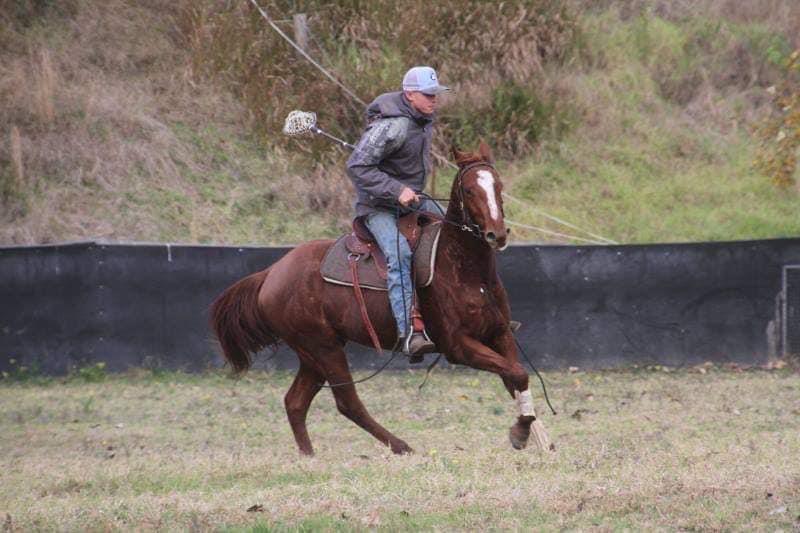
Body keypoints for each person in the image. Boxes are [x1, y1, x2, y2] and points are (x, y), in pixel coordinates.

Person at [346, 66, 448, 356]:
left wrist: (408, 193)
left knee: (456, 230)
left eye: (435, 94)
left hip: (413, 202)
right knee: (399, 254)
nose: (434, 100)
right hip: (378, 207)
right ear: (410, 94)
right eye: (428, 95)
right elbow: (357, 167)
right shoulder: (394, 125)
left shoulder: (422, 119)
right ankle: (410, 333)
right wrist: (396, 190)